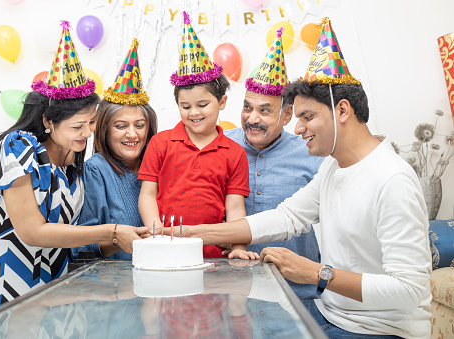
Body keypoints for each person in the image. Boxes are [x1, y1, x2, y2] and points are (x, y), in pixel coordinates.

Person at [168, 18, 432, 338]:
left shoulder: (392, 180)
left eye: (307, 117)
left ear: (343, 111)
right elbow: (287, 217)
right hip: (329, 317)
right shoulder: (333, 167)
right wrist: (191, 233)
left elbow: (410, 290)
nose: (298, 128)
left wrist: (317, 273)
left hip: (377, 330)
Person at [0, 21, 147, 327]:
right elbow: (32, 231)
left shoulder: (73, 162)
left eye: (91, 123)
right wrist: (112, 231)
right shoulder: (16, 149)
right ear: (48, 121)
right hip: (4, 280)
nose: (88, 134)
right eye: (77, 127)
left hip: (54, 288)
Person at [138, 11, 255, 259]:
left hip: (213, 257)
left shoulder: (234, 154)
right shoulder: (160, 143)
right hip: (165, 250)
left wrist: (238, 247)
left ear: (222, 102)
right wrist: (156, 233)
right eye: (186, 106)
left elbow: (235, 207)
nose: (194, 113)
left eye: (202, 105)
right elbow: (148, 194)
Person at [224, 26, 323, 273]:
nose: (252, 118)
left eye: (265, 111)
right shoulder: (221, 145)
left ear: (287, 115)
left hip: (297, 287)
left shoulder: (311, 152)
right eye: (247, 108)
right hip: (231, 283)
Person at [73, 38, 157, 260]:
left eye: (139, 125)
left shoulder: (160, 166)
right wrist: (120, 240)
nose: (132, 134)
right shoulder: (95, 171)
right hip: (118, 288)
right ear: (104, 130)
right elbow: (81, 248)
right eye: (121, 126)